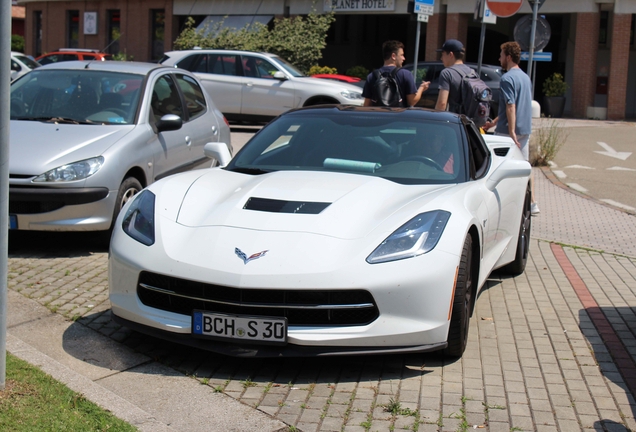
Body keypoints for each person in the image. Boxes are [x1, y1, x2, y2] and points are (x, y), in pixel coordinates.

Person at [483, 41, 539, 215]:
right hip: (524, 130)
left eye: (501, 55)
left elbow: (510, 105)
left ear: (508, 57)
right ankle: (532, 203)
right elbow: (516, 106)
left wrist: (511, 131)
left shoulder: (507, 78)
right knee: (525, 167)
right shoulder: (525, 77)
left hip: (508, 133)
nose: (499, 58)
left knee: (499, 169)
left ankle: (500, 205)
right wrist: (494, 122)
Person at [363, 40, 430, 107]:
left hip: (379, 116)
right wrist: (422, 88)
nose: (404, 58)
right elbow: (412, 101)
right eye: (402, 55)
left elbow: (367, 104)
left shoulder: (371, 76)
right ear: (393, 56)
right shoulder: (405, 74)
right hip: (398, 116)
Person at [434, 39, 473, 113]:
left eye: (443, 54)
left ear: (451, 54)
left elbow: (442, 104)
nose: (441, 58)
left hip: (455, 120)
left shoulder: (447, 73)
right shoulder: (472, 72)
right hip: (471, 121)